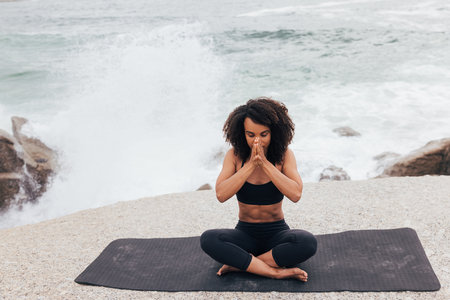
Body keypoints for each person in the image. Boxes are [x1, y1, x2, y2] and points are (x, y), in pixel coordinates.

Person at [200, 97, 317, 282]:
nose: (257, 141)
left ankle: (242, 264)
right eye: (250, 135)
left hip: (276, 233)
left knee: (307, 242)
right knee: (208, 239)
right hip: (244, 234)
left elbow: (296, 194)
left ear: (274, 133)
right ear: (242, 133)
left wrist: (265, 164)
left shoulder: (285, 155)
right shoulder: (234, 156)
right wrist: (250, 166)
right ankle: (273, 271)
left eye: (263, 135)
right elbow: (221, 194)